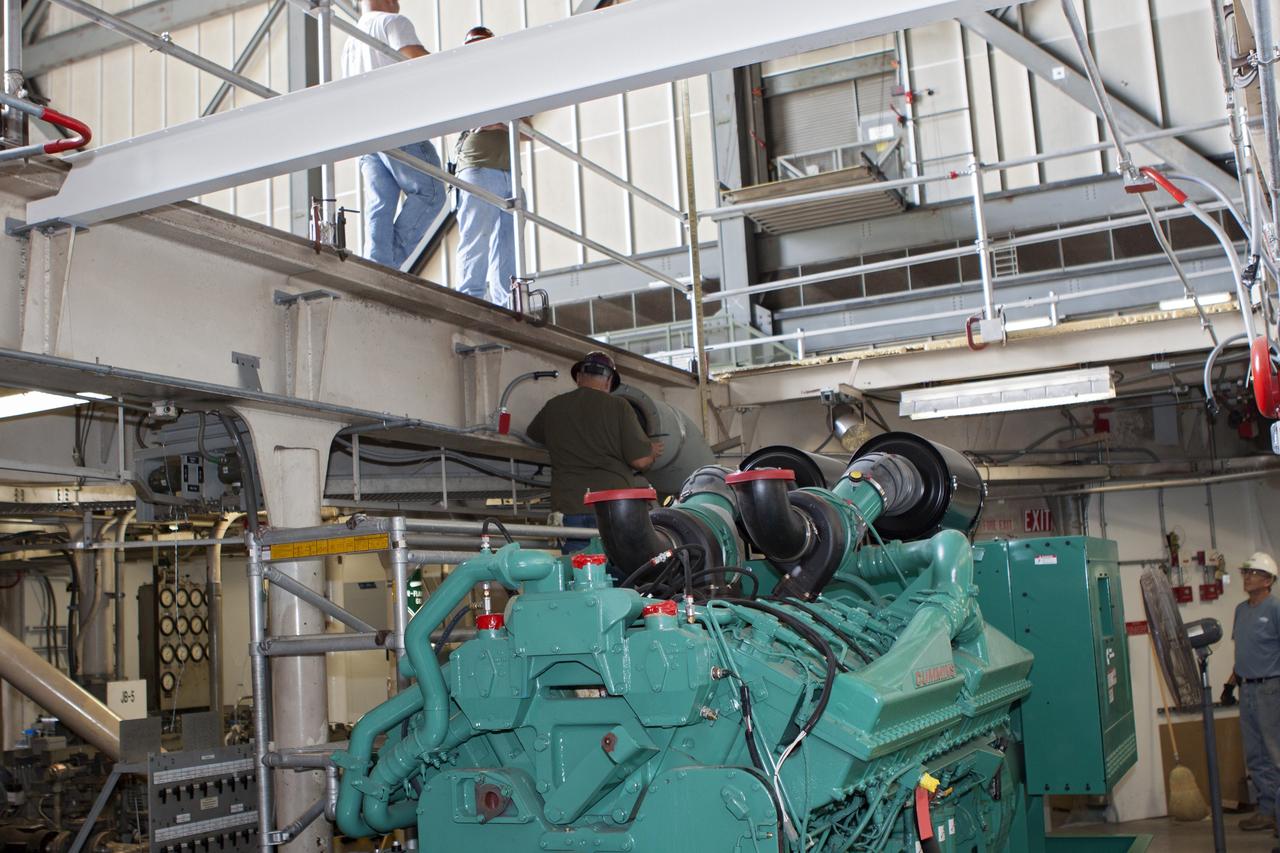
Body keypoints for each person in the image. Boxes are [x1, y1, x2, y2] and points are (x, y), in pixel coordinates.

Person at [341, 0, 445, 270]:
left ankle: (375, 266)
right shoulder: (392, 22)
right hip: (395, 124)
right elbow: (418, 58)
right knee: (431, 192)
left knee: (381, 204)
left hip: (366, 133)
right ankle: (386, 266)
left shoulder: (349, 44)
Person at [526, 351, 664, 553]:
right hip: (611, 508)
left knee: (578, 570)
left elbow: (534, 433)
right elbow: (641, 461)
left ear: (579, 377)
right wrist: (651, 451)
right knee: (615, 570)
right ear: (608, 381)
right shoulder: (619, 406)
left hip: (569, 507)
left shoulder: (554, 406)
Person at [453, 25, 519, 307]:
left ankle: (507, 304)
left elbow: (522, 123)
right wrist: (502, 120)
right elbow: (476, 119)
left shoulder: (504, 79)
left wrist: (501, 120)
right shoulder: (464, 79)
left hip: (509, 171)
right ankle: (471, 301)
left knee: (508, 243)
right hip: (478, 166)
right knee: (476, 237)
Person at [1220, 552, 1280, 836]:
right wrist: (1230, 684)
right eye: (1245, 572)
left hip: (1271, 688)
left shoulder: (1276, 608)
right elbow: (1243, 652)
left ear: (1268, 580)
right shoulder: (1241, 611)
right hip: (1248, 688)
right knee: (1255, 756)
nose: (1246, 577)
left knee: (1275, 754)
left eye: (1253, 573)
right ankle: (1267, 812)